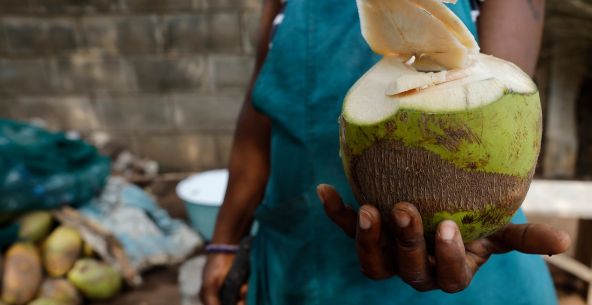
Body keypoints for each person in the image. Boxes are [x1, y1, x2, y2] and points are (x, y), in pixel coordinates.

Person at [200, 0, 570, 304]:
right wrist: (224, 240)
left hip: (466, 268)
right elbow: (261, 108)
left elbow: (494, 107)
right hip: (301, 259)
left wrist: (471, 226)